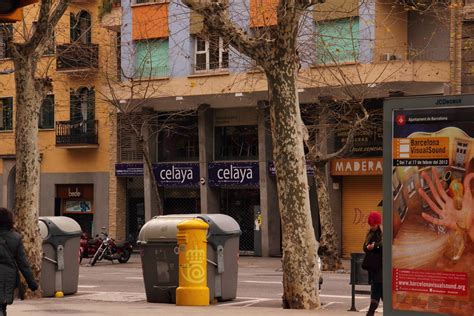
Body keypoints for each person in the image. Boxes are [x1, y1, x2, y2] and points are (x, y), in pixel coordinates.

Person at [0, 208, 38, 316]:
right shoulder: (16, 238)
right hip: (8, 278)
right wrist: (32, 284)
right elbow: (23, 264)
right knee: (3, 305)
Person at [363, 211, 383, 316]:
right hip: (374, 270)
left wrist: (375, 246)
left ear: (378, 223)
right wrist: (368, 247)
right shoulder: (370, 233)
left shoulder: (383, 233)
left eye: (373, 225)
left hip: (381, 269)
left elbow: (384, 245)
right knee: (377, 297)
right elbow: (364, 247)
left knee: (378, 297)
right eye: (371, 225)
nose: (372, 227)